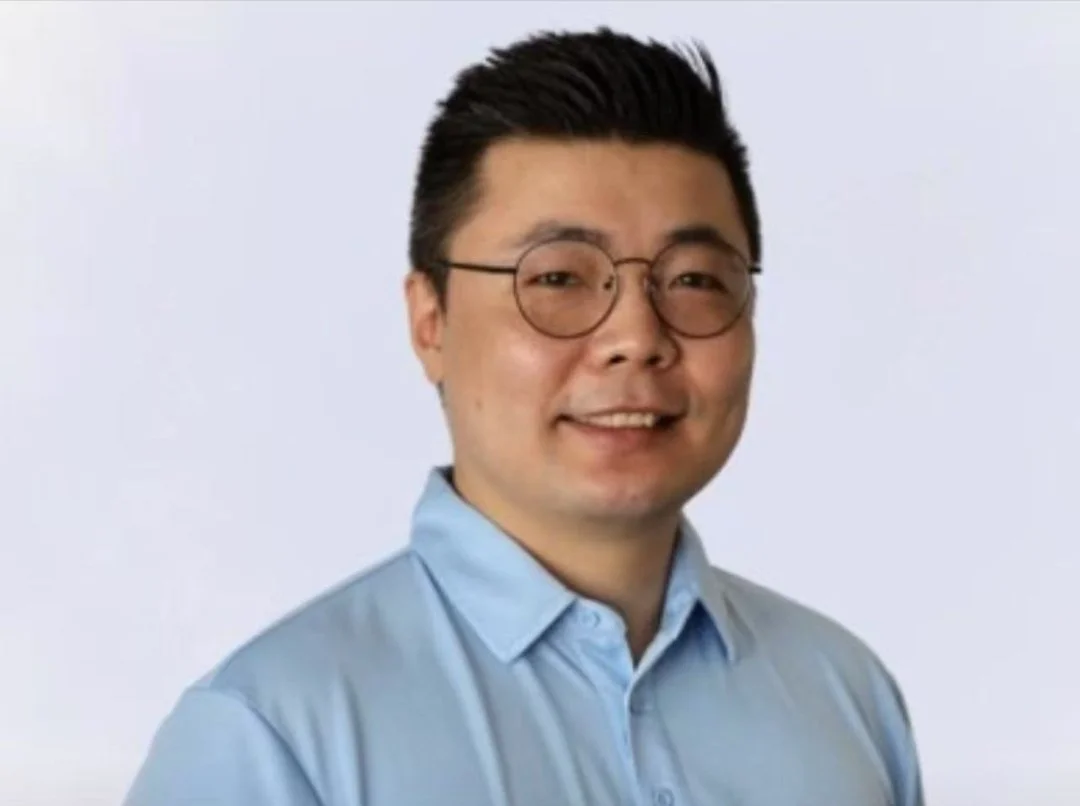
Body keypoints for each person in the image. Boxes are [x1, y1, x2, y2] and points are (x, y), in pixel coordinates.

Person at [124, 28, 924, 806]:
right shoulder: (273, 736)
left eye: (692, 280)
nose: (637, 338)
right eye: (558, 278)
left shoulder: (846, 698)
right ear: (430, 321)